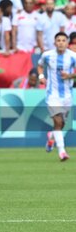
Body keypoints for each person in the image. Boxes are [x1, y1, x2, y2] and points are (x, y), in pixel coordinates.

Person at [38, 31, 76, 161]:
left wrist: (70, 76)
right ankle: (62, 152)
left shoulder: (72, 56)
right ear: (55, 43)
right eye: (58, 40)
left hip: (67, 95)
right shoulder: (47, 55)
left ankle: (52, 137)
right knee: (58, 121)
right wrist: (41, 76)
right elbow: (39, 65)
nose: (61, 43)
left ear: (67, 43)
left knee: (61, 124)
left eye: (63, 40)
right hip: (52, 94)